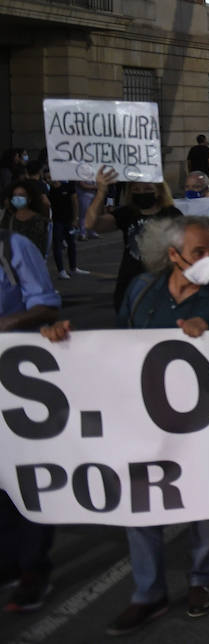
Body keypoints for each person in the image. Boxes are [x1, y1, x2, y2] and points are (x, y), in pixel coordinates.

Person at [41, 217, 209, 633]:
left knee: (206, 503)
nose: (208, 260)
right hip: (145, 419)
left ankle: (200, 579)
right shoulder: (141, 291)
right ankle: (147, 594)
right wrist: (64, 342)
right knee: (140, 506)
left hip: (205, 420)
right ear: (171, 254)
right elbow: (118, 345)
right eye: (198, 253)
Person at [0, 224, 62, 614]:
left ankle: (33, 569)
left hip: (16, 379)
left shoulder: (14, 246)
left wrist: (4, 325)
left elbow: (46, 304)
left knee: (26, 476)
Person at [84, 168, 182, 309]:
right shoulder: (127, 213)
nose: (141, 193)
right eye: (136, 189)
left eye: (147, 188)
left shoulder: (172, 214)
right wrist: (101, 192)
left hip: (163, 281)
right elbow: (91, 224)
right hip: (130, 281)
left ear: (159, 191)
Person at [2, 179, 51, 269]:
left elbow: (40, 248)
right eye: (15, 195)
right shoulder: (8, 219)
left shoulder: (38, 220)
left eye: (21, 195)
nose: (17, 198)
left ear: (29, 198)